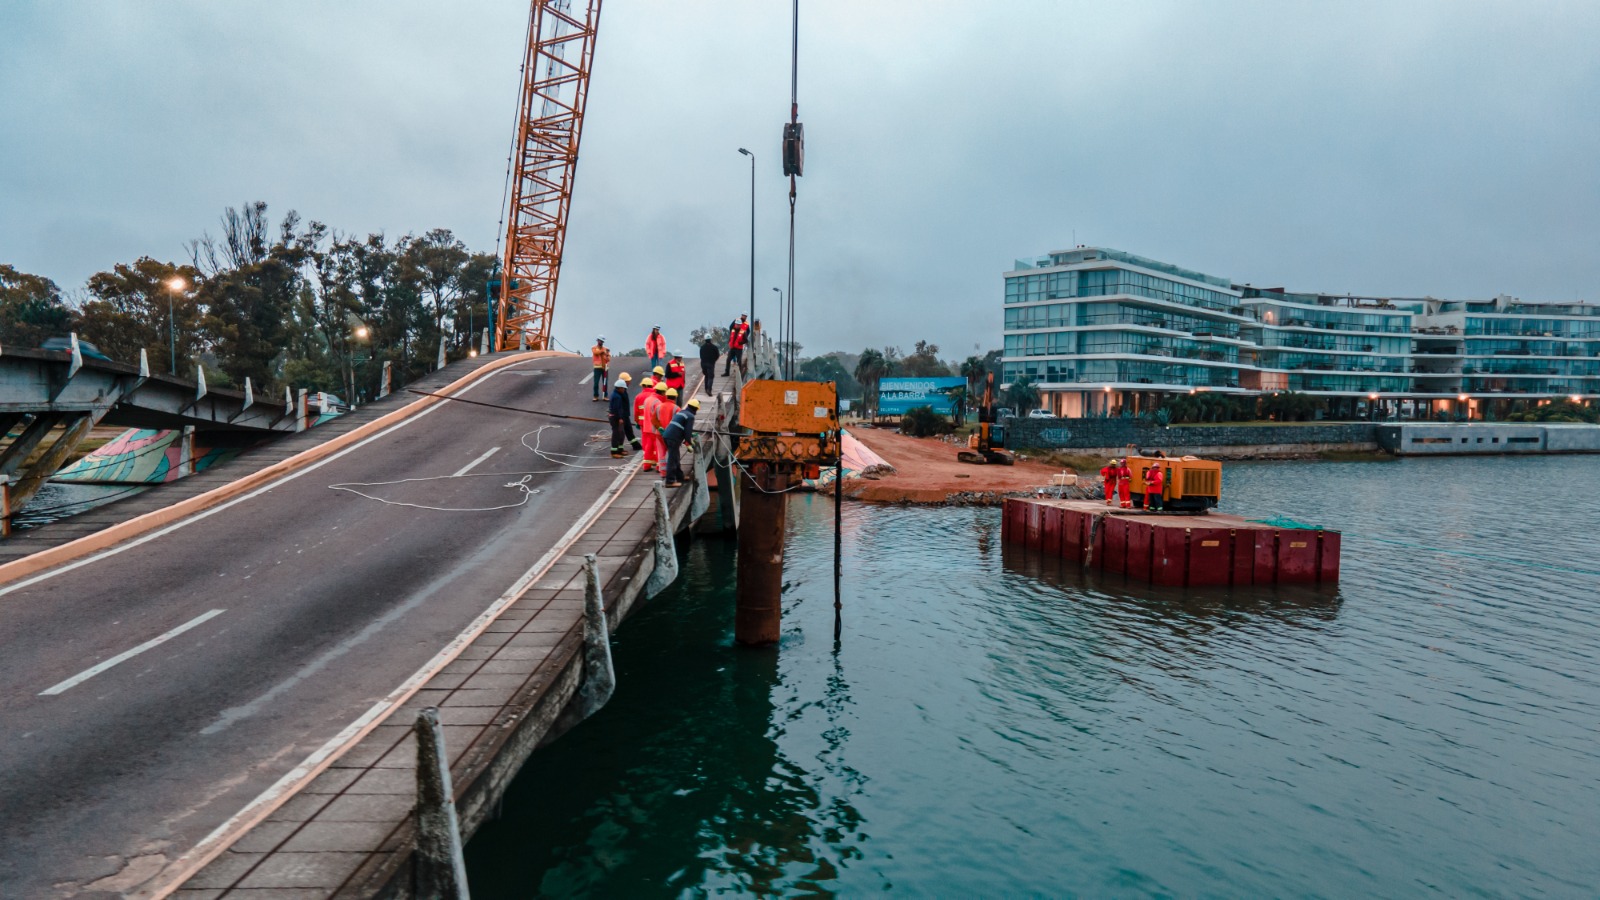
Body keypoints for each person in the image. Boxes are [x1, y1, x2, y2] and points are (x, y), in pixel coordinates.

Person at [660, 398, 700, 487]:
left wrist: (688, 438)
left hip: (667, 436)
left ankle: (680, 477)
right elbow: (688, 431)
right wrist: (689, 442)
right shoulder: (690, 416)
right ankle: (669, 481)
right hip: (673, 438)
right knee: (672, 459)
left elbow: (682, 428)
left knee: (676, 457)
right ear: (696, 409)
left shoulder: (681, 412)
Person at [606, 373, 634, 457]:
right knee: (616, 433)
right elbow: (617, 409)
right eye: (623, 388)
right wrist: (620, 418)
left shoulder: (618, 394)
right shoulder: (617, 396)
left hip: (618, 417)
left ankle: (620, 449)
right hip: (616, 418)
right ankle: (614, 452)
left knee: (621, 433)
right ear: (620, 388)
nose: (624, 390)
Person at [640, 380, 666, 472]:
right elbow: (659, 417)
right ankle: (659, 466)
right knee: (658, 447)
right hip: (654, 429)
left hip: (646, 427)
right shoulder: (657, 402)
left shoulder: (648, 399)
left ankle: (646, 465)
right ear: (663, 391)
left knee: (648, 447)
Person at [633, 376, 655, 465]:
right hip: (654, 423)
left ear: (644, 386)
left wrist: (637, 421)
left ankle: (647, 461)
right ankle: (655, 459)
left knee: (645, 441)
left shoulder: (638, 397)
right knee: (654, 442)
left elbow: (636, 412)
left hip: (643, 423)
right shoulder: (654, 396)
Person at [590, 336, 610, 401]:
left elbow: (609, 358)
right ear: (597, 340)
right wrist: (603, 351)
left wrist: (606, 355)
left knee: (605, 383)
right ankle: (595, 396)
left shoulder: (606, 349)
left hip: (605, 368)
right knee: (596, 383)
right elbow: (596, 353)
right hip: (597, 367)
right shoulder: (594, 348)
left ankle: (605, 396)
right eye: (600, 340)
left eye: (602, 341)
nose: (600, 342)